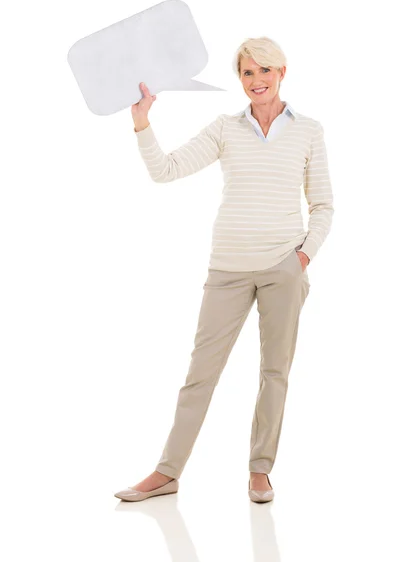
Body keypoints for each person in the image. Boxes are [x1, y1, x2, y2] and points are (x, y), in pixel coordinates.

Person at [114, 36, 334, 503]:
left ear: (282, 73)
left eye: (265, 71)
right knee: (201, 374)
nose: (256, 81)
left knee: (275, 372)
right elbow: (166, 170)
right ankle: (167, 472)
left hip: (283, 268)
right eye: (247, 73)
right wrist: (141, 122)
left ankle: (260, 470)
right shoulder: (225, 128)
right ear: (241, 79)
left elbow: (323, 204)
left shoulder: (308, 130)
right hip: (228, 269)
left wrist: (301, 258)